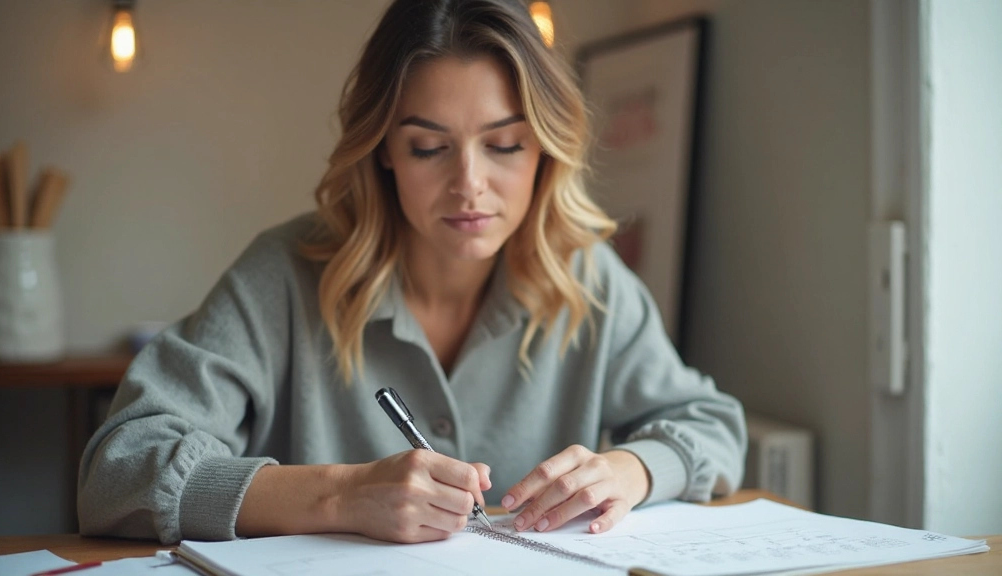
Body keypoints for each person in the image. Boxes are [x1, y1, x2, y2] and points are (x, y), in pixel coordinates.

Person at [77, 0, 746, 545]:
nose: (470, 186)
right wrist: (340, 495)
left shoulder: (588, 278)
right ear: (384, 152)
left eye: (505, 145)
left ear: (544, 147)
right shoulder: (281, 275)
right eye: (429, 147)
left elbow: (711, 423)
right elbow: (117, 471)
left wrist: (631, 470)